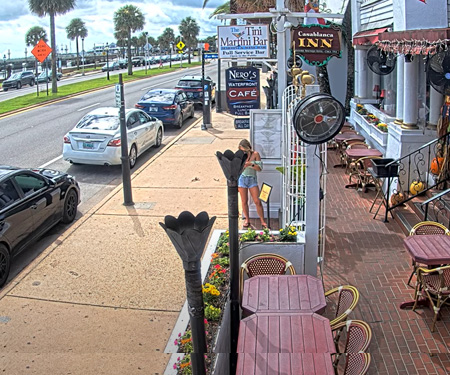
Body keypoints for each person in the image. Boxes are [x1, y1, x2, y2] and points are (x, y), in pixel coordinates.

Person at [238, 139, 268, 229]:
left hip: (252, 179)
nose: (243, 152)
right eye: (241, 151)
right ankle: (247, 219)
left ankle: (262, 220)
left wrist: (251, 164)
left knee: (257, 201)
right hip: (242, 178)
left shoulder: (255, 154)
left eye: (244, 150)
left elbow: (259, 168)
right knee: (244, 201)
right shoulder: (240, 156)